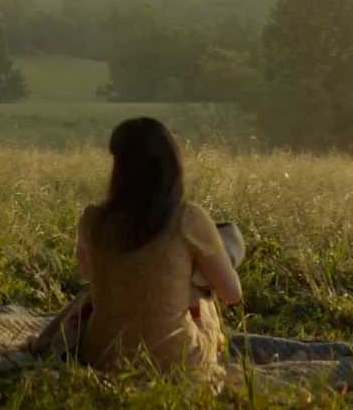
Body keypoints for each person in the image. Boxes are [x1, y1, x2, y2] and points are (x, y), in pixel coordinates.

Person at [73, 117, 242, 379]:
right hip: (177, 359)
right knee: (197, 294)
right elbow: (232, 294)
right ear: (172, 165)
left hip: (103, 355)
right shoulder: (188, 218)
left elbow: (87, 274)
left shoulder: (93, 219)